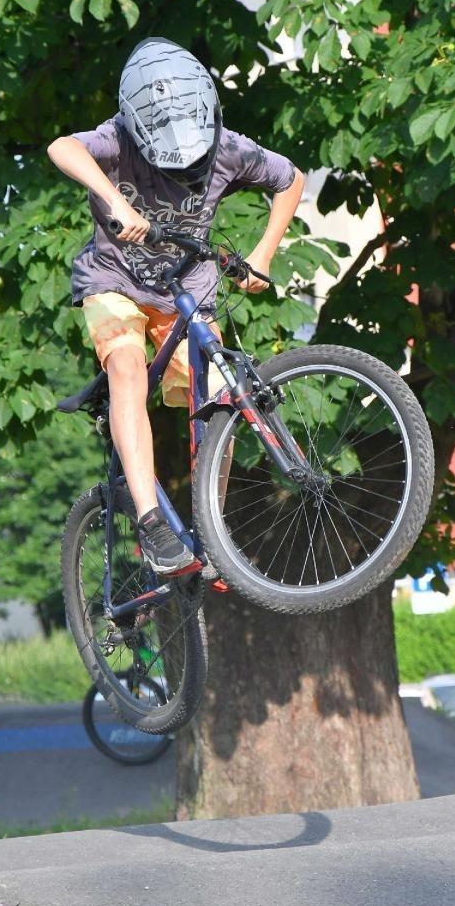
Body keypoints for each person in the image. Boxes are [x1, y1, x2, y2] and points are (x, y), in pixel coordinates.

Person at [48, 36, 305, 573]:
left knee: (219, 394)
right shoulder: (116, 137)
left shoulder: (228, 146)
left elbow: (290, 179)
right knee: (126, 368)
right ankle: (151, 522)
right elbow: (61, 148)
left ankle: (210, 523)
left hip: (187, 285)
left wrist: (263, 251)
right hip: (112, 279)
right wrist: (114, 199)